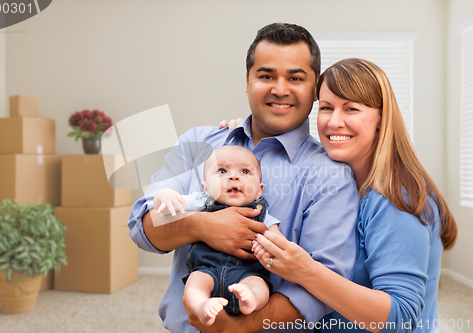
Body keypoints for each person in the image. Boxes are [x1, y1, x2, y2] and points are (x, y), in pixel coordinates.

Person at [128, 23, 360, 333]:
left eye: (295, 78)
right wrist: (202, 225)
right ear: (247, 83)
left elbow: (324, 287)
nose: (280, 89)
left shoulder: (331, 175)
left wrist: (238, 327)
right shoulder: (200, 143)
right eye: (266, 76)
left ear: (315, 88)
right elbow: (143, 228)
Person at [251, 58, 458, 333]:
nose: (335, 122)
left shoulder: (396, 198)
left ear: (380, 119)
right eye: (326, 108)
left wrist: (307, 271)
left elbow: (401, 317)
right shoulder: (335, 182)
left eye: (351, 109)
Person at [152, 145, 281, 326]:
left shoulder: (262, 214)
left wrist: (271, 248)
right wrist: (164, 195)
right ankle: (201, 306)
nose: (233, 177)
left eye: (244, 171)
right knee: (194, 284)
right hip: (206, 270)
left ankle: (250, 299)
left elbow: (278, 243)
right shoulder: (200, 201)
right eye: (222, 170)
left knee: (260, 286)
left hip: (247, 273)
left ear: (259, 190)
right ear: (205, 188)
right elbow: (162, 206)